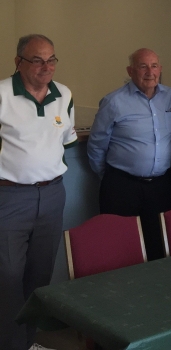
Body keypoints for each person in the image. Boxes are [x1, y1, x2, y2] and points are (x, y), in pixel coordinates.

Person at [0, 34, 77, 350]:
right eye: (37, 59)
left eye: (51, 60)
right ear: (18, 62)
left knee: (39, 278)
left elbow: (66, 142)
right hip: (10, 198)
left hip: (52, 196)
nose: (46, 67)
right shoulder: (2, 94)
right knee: (7, 278)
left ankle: (28, 342)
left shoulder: (64, 95)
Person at [87, 48, 171, 261]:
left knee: (159, 246)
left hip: (161, 186)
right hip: (122, 186)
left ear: (160, 69)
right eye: (142, 66)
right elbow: (96, 146)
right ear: (130, 71)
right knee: (120, 247)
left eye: (154, 65)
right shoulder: (114, 101)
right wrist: (112, 177)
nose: (150, 71)